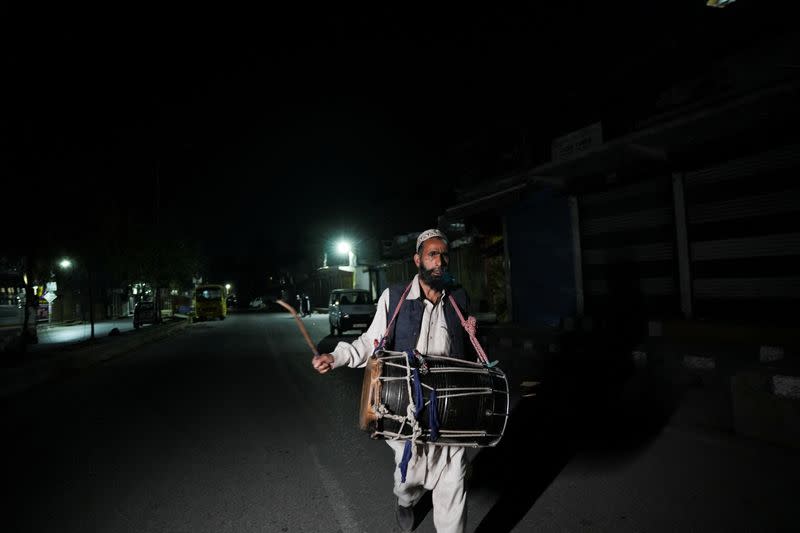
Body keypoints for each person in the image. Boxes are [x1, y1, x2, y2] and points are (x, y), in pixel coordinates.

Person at [312, 228, 474, 533]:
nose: (440, 261)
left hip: (448, 408)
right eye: (432, 254)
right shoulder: (396, 297)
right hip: (404, 406)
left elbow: (470, 349)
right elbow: (370, 342)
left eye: (444, 254)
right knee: (409, 477)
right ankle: (406, 500)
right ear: (418, 260)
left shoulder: (458, 298)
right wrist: (335, 357)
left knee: (452, 481)